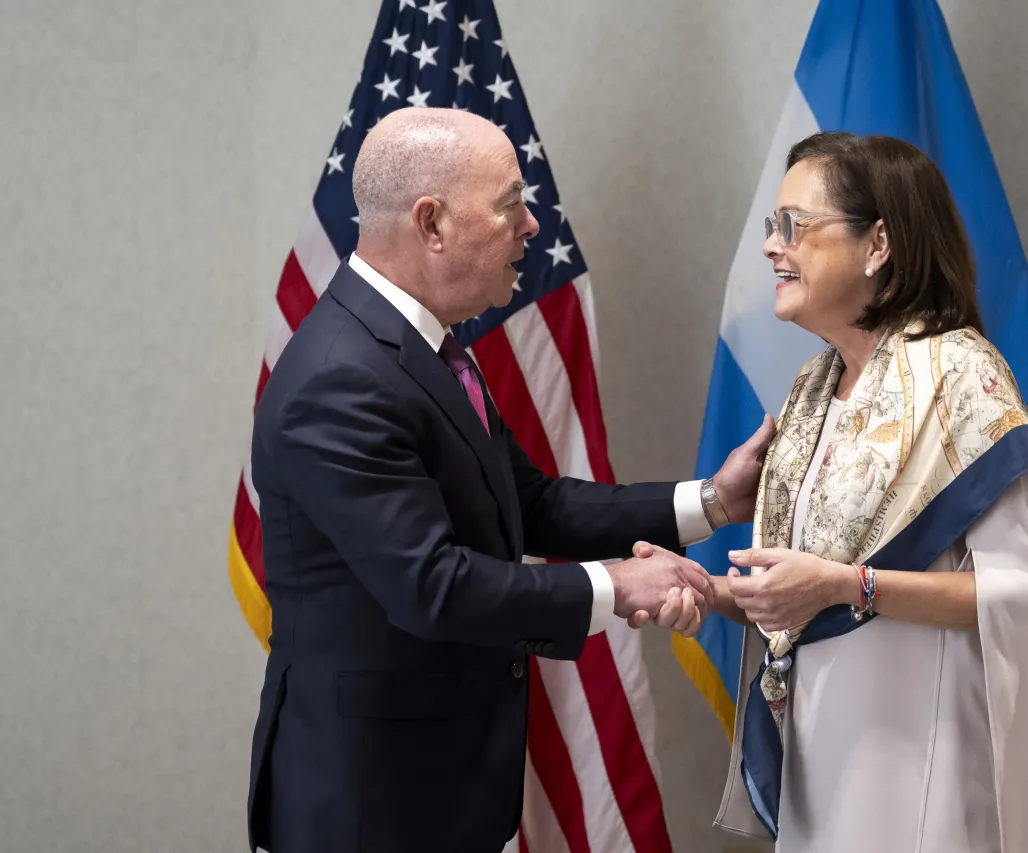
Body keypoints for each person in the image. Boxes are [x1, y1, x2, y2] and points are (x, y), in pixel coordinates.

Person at [245, 107, 772, 853]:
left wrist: (714, 501)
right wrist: (620, 586)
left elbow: (530, 503)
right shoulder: (340, 378)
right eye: (509, 205)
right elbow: (432, 585)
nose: (531, 226)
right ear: (430, 222)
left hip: (443, 792)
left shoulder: (422, 344)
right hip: (368, 806)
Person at [706, 133, 1028, 852]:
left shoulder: (961, 377)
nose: (771, 248)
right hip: (821, 753)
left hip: (922, 756)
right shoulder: (812, 388)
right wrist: (713, 591)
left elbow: (1024, 594)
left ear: (877, 244)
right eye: (770, 228)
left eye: (794, 226)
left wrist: (857, 585)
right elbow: (804, 587)